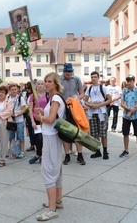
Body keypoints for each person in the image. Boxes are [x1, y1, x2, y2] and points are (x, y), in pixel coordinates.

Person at [34, 72, 65, 221]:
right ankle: (57, 201)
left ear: (56, 83)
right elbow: (51, 115)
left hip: (51, 137)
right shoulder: (53, 98)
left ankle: (52, 209)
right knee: (56, 171)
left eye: (49, 81)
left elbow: (51, 119)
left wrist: (40, 117)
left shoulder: (56, 98)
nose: (46, 84)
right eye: (45, 81)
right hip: (52, 136)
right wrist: (43, 113)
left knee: (48, 172)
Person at [60, 62, 85, 165]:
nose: (69, 76)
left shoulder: (76, 79)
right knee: (65, 133)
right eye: (67, 74)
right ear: (63, 72)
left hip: (75, 108)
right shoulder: (59, 80)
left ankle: (80, 155)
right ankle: (67, 155)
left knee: (78, 132)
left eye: (70, 74)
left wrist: (77, 99)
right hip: (64, 109)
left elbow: (82, 93)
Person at [84, 71, 112, 160]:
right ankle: (97, 151)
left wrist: (99, 105)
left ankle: (105, 151)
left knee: (103, 133)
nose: (93, 78)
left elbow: (109, 100)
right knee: (95, 133)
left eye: (95, 77)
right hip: (92, 112)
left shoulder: (103, 87)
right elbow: (85, 100)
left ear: (98, 78)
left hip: (101, 112)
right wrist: (90, 105)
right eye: (92, 77)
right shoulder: (89, 89)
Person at [120, 74, 137, 159]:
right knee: (125, 133)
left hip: (136, 115)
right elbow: (122, 103)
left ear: (134, 81)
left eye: (130, 81)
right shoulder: (124, 91)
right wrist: (129, 109)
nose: (129, 83)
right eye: (128, 81)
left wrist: (132, 110)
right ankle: (126, 150)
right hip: (126, 115)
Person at [28, 80, 48, 164]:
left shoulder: (47, 95)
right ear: (36, 86)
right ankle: (38, 154)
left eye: (42, 84)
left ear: (44, 85)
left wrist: (43, 111)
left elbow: (49, 108)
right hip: (36, 119)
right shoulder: (33, 96)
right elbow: (30, 109)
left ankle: (42, 155)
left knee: (44, 138)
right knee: (38, 138)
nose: (40, 86)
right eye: (39, 84)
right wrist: (32, 121)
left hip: (44, 119)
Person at [8, 83, 27, 159]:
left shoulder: (20, 98)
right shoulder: (8, 98)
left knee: (20, 136)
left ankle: (21, 151)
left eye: (15, 89)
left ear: (17, 90)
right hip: (11, 121)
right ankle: (12, 151)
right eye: (12, 90)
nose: (14, 91)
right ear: (10, 91)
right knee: (11, 137)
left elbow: (24, 109)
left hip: (19, 120)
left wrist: (16, 114)